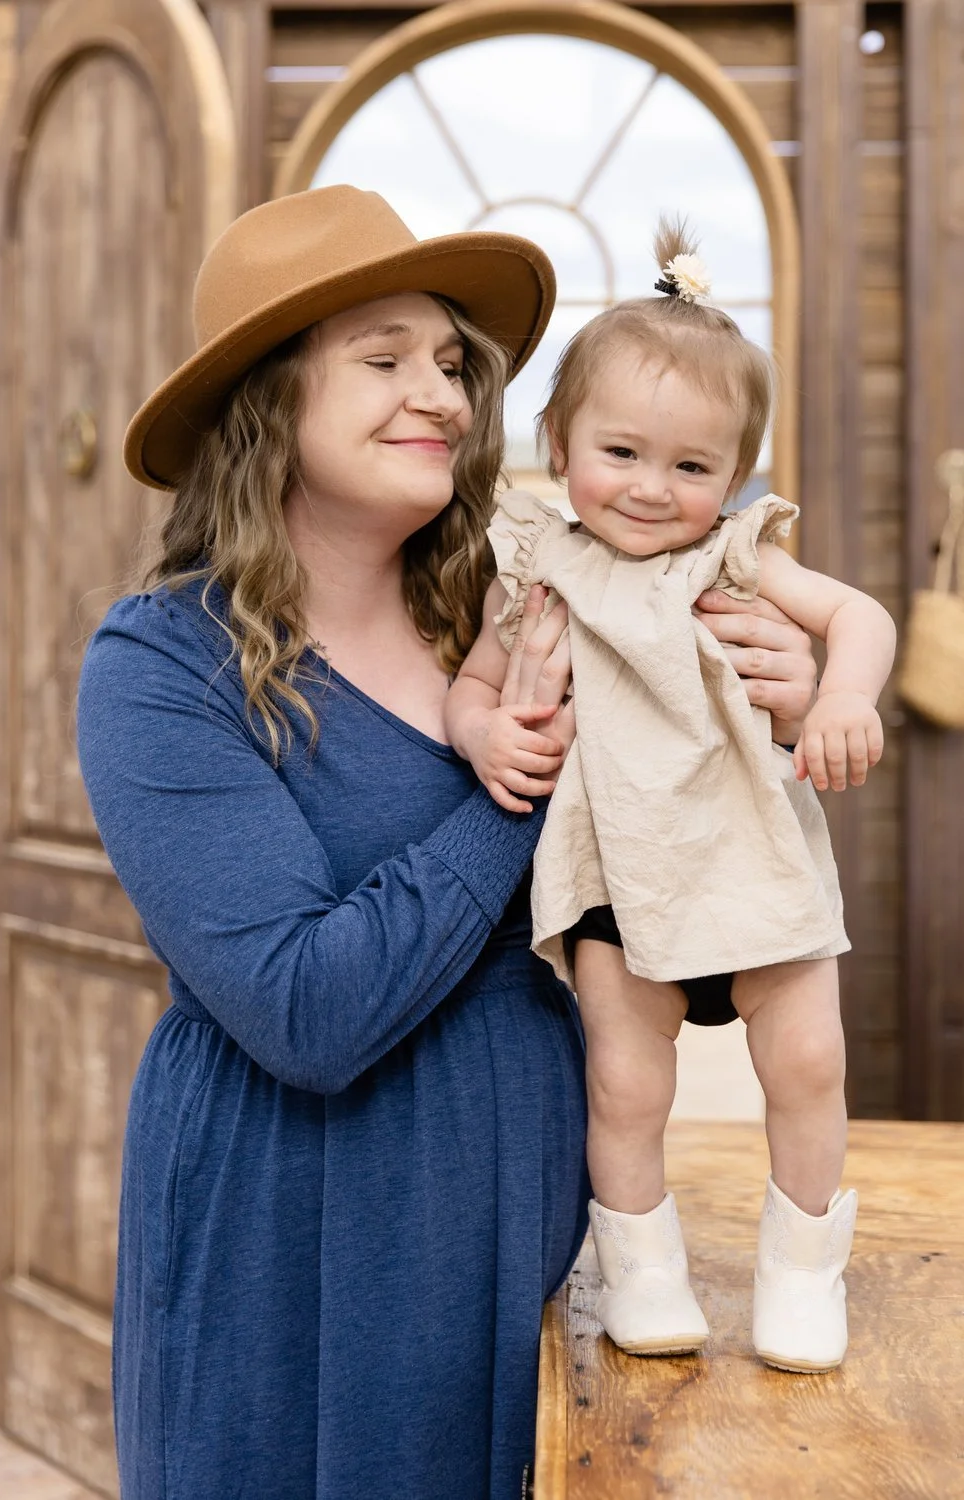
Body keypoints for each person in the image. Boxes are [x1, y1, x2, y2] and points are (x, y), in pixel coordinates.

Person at [77, 187, 821, 1499]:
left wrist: (771, 721)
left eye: (451, 363)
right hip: (285, 1244)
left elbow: (668, 913)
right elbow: (306, 1010)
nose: (444, 394)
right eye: (384, 359)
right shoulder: (162, 666)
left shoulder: (516, 611)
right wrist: (514, 793)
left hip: (513, 1219)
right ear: (266, 400)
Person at [447, 220, 897, 1377]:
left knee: (805, 1067)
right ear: (558, 442)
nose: (653, 489)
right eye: (623, 453)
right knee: (625, 1081)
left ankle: (803, 1273)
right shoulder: (536, 568)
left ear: (735, 473)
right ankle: (643, 1270)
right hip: (618, 876)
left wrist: (845, 694)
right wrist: (488, 732)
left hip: (751, 858)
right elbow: (474, 685)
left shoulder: (733, 560)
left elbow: (860, 616)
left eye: (692, 467)